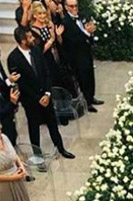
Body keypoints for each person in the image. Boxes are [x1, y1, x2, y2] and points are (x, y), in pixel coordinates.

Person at [7, 26, 74, 158]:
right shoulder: (13, 58)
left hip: (46, 96)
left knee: (53, 124)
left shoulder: (37, 51)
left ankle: (61, 148)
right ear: (23, 41)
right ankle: (38, 156)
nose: (33, 39)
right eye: (30, 37)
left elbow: (46, 72)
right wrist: (38, 98)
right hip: (31, 100)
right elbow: (21, 84)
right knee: (34, 128)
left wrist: (47, 93)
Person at [61, 0, 103, 112]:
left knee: (90, 76)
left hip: (86, 53)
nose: (74, 8)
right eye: (71, 6)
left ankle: (91, 97)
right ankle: (87, 102)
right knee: (83, 79)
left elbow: (85, 34)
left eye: (76, 6)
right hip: (77, 57)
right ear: (66, 7)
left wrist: (90, 34)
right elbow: (73, 41)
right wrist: (87, 32)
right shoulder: (66, 22)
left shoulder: (79, 17)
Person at [0, 51, 20, 146]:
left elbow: (3, 83)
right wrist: (8, 81)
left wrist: (14, 104)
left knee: (12, 135)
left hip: (7, 107)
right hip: (2, 113)